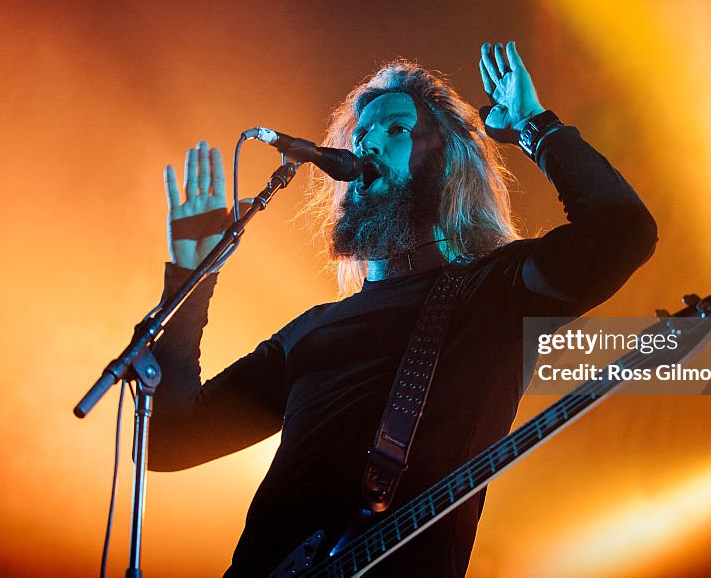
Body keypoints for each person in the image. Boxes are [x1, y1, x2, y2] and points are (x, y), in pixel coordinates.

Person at [148, 42, 657, 577]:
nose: (367, 144)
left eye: (396, 130)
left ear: (448, 163)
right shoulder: (311, 332)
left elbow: (622, 233)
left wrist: (535, 126)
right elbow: (171, 440)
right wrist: (192, 279)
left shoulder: (495, 292)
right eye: (361, 134)